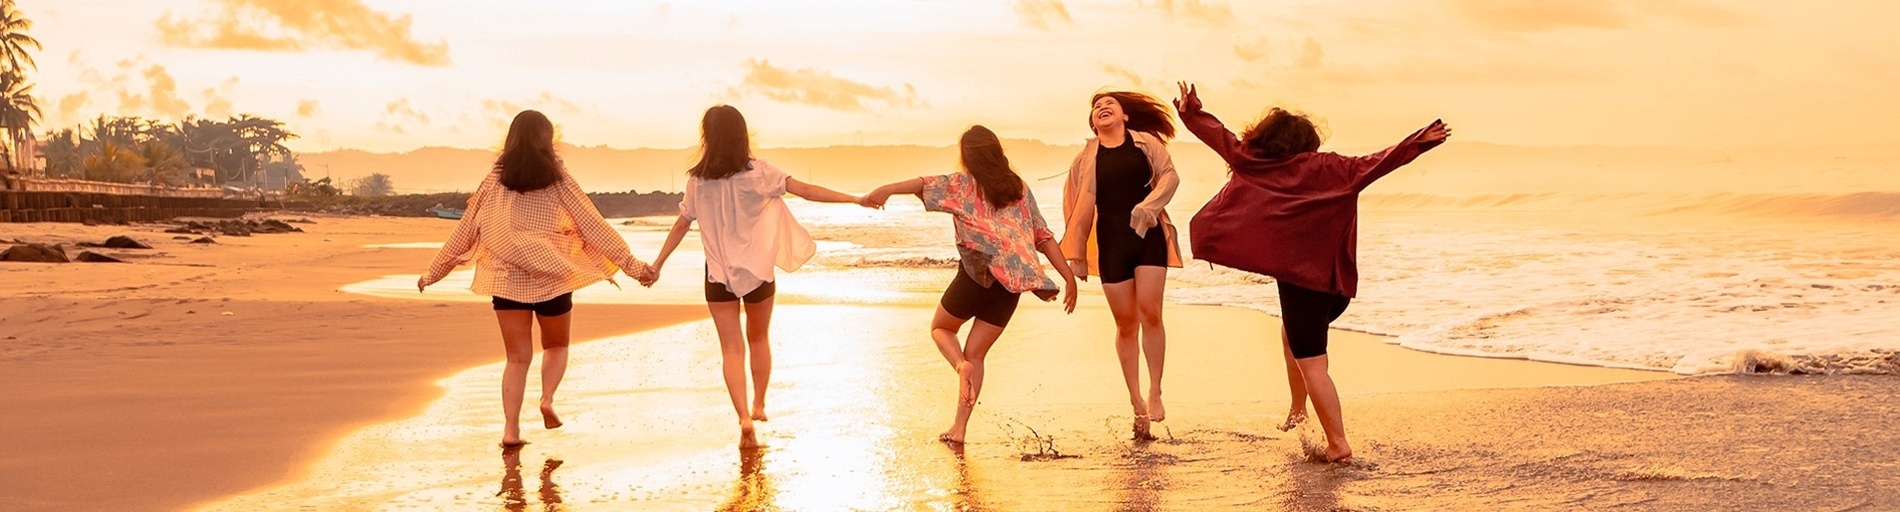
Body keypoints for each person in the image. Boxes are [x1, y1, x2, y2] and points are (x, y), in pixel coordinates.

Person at [1175, 82, 1450, 462]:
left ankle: (1338, 444)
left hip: (1304, 285)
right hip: (1333, 285)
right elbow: (1379, 162)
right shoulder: (1333, 169)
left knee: (1314, 364)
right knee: (1290, 336)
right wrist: (1418, 141)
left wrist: (1190, 112)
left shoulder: (1253, 162)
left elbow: (1219, 137)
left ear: (1266, 140)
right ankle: (1297, 409)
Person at [419, 110, 656, 448]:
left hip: (505, 280)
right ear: (548, 140)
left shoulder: (494, 180)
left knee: (517, 359)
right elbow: (592, 223)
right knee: (556, 345)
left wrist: (434, 272)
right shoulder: (559, 179)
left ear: (511, 139)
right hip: (552, 278)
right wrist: (632, 266)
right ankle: (546, 400)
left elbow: (466, 229)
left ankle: (511, 431)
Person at [649, 105, 861, 449]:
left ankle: (744, 419)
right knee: (758, 338)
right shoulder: (760, 173)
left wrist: (658, 265)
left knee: (731, 350)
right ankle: (759, 404)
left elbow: (682, 222)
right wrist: (856, 199)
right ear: (742, 134)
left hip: (717, 275)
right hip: (758, 272)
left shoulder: (697, 181)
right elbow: (807, 190)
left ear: (707, 137)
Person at [859, 125, 1079, 444]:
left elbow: (921, 184)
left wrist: (886, 189)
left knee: (941, 329)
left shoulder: (961, 184)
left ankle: (959, 365)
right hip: (1012, 283)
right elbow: (1042, 236)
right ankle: (959, 428)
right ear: (997, 151)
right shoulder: (1018, 188)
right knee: (978, 354)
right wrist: (1068, 276)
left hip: (976, 276)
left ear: (967, 156)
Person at [1059, 90, 1184, 439]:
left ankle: (1155, 389)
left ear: (1125, 116)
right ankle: (1135, 401)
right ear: (1093, 122)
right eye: (1096, 106)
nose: (1102, 107)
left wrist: (1148, 208)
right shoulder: (1086, 157)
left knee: (1151, 313)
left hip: (1148, 235)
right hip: (1112, 240)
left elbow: (1170, 177)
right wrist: (1079, 255)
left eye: (1109, 104)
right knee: (1126, 324)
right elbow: (1076, 206)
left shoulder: (1146, 144)